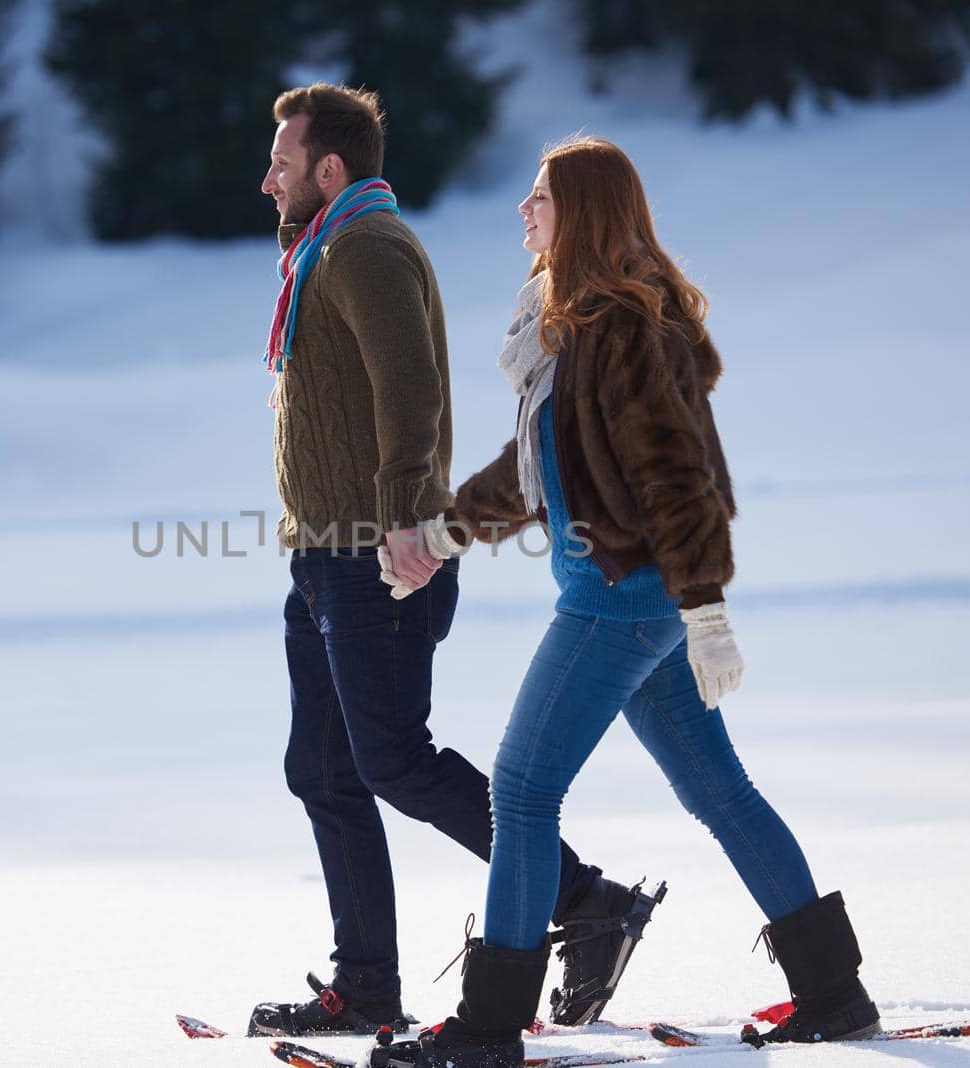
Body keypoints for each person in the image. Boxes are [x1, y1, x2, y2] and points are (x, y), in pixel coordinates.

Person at [378, 137, 879, 1067]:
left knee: (522, 791)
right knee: (718, 791)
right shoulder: (573, 331)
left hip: (622, 601)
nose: (522, 212)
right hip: (631, 601)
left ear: (584, 210)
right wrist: (443, 536)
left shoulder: (624, 332)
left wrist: (707, 609)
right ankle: (835, 994)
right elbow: (539, 476)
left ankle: (488, 1030)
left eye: (538, 197)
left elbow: (678, 478)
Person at [249, 87, 662, 1039]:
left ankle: (590, 900)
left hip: (372, 557)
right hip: (320, 557)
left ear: (330, 169)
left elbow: (412, 393)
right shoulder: (324, 250)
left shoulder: (368, 250)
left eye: (281, 160)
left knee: (392, 760)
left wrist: (405, 525)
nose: (266, 176)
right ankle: (367, 986)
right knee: (322, 768)